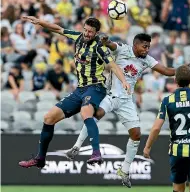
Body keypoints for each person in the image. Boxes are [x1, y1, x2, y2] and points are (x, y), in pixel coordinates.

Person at [66, 33, 177, 188]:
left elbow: (165, 70)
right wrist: (105, 41)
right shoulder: (123, 49)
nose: (147, 49)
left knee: (136, 134)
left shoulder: (147, 60)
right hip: (110, 94)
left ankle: (124, 170)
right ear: (135, 44)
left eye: (148, 47)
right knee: (95, 115)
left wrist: (181, 70)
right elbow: (111, 44)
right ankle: (76, 147)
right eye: (144, 46)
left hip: (126, 100)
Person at [19, 16, 130, 168]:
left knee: (86, 113)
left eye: (90, 32)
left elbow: (113, 66)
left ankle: (96, 153)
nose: (86, 33)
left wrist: (123, 81)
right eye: (85, 30)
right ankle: (40, 159)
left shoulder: (100, 47)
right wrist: (40, 22)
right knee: (48, 118)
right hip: (80, 89)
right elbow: (57, 28)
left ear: (96, 32)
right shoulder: (77, 37)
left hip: (96, 87)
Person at [143, 65, 190, 192]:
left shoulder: (167, 100)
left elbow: (155, 128)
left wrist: (147, 147)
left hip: (177, 151)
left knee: (178, 187)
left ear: (175, 80)